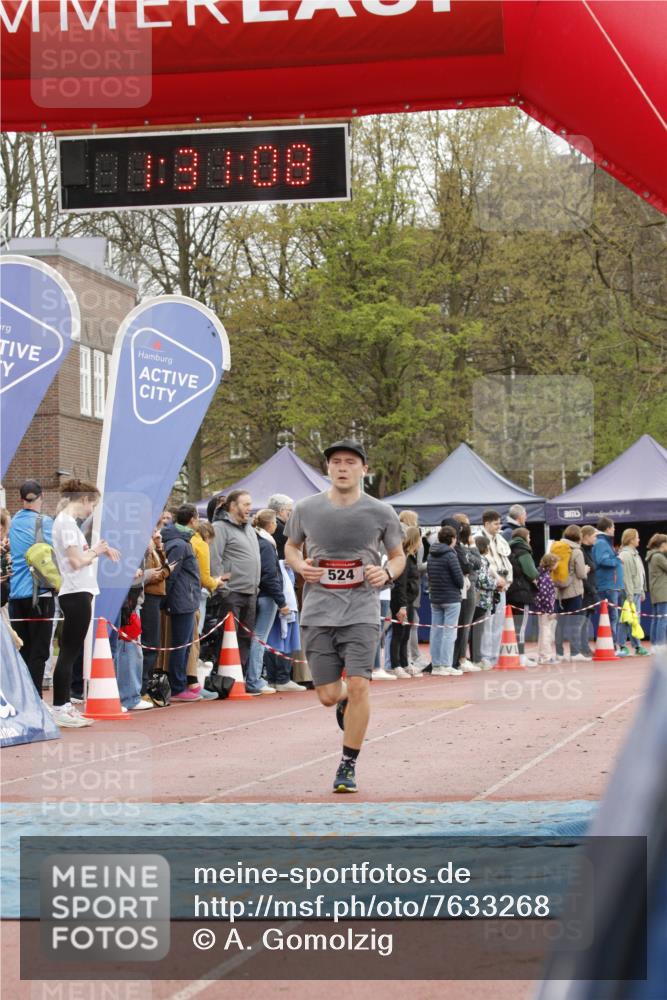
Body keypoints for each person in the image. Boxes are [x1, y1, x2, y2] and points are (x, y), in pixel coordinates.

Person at [285, 439, 404, 794]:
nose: (342, 467)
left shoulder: (382, 512)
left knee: (359, 684)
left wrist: (387, 574)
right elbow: (291, 546)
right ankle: (344, 705)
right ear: (327, 468)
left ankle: (347, 765)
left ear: (363, 470)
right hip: (319, 609)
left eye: (350, 462)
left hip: (361, 611)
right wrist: (299, 564)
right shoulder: (306, 508)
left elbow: (398, 556)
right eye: (336, 461)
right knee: (327, 694)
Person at [50, 478, 120, 728]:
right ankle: (60, 706)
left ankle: (64, 705)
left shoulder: (68, 523)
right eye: (93, 505)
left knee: (70, 651)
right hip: (75, 591)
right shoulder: (67, 523)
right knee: (69, 652)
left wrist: (96, 551)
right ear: (84, 500)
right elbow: (76, 561)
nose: (92, 511)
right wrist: (96, 551)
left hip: (79, 591)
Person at [8, 480, 56, 697]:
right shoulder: (45, 522)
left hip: (16, 596)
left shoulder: (14, 521)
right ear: (41, 496)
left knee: (23, 651)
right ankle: (35, 700)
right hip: (40, 596)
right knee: (39, 652)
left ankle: (23, 699)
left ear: (21, 499)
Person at [211, 490, 261, 670]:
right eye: (245, 504)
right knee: (227, 637)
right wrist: (223, 589)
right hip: (232, 593)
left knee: (245, 638)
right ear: (233, 506)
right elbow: (214, 559)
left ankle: (239, 678)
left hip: (251, 592)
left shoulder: (249, 528)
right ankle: (224, 678)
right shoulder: (220, 528)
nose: (250, 508)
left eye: (250, 504)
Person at [161, 506, 202, 702]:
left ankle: (181, 683)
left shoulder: (181, 542)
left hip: (185, 598)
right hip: (182, 599)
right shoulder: (180, 544)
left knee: (184, 644)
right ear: (192, 520)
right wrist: (166, 599)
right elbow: (172, 574)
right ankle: (177, 686)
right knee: (181, 645)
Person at [247, 509, 290, 695]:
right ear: (271, 524)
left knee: (258, 636)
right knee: (260, 637)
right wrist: (282, 601)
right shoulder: (266, 545)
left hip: (261, 594)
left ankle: (255, 676)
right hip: (267, 596)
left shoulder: (258, 541)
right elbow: (270, 574)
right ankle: (254, 678)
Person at [427, 524, 465, 676]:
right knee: (449, 632)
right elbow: (459, 579)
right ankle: (446, 664)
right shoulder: (451, 554)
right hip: (451, 598)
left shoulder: (431, 554)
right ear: (452, 539)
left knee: (436, 631)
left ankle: (436, 665)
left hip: (435, 597)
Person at [479, 509, 513, 666]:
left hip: (502, 586)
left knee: (499, 622)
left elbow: (506, 561)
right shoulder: (478, 539)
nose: (499, 526)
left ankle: (494, 657)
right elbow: (484, 563)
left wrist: (507, 581)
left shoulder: (500, 539)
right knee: (487, 623)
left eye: (500, 523)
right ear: (486, 523)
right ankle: (485, 657)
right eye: (495, 523)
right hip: (487, 587)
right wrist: (497, 579)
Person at [140, 525, 171, 693]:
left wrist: (160, 548)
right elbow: (152, 574)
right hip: (149, 597)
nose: (157, 534)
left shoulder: (154, 549)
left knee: (154, 642)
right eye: (154, 531)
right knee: (150, 643)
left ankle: (146, 683)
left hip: (156, 596)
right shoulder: (144, 550)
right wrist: (166, 572)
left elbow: (161, 566)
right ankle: (143, 686)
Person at [389, 526, 422, 678]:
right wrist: (402, 606)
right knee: (398, 633)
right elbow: (400, 584)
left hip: (408, 600)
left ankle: (404, 662)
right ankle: (396, 665)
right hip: (401, 601)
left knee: (406, 634)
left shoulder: (411, 558)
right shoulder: (405, 559)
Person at [554, 525, 591, 661]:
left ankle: (559, 653)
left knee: (561, 623)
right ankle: (575, 653)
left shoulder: (556, 547)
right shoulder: (577, 551)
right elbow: (581, 573)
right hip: (574, 591)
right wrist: (586, 570)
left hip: (559, 591)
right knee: (574, 622)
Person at [507, 526, 539, 666]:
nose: (530, 539)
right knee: (521, 627)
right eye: (529, 537)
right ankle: (521, 656)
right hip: (522, 592)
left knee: (510, 626)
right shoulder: (523, 551)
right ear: (524, 537)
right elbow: (531, 572)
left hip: (510, 592)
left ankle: (510, 654)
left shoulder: (508, 549)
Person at [592, 517, 624, 653]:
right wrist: (617, 559)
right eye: (613, 527)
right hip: (608, 585)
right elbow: (602, 561)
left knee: (613, 616)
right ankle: (611, 646)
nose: (615, 529)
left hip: (612, 585)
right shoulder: (601, 543)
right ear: (608, 528)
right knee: (612, 617)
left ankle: (611, 645)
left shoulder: (604, 542)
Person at [618, 528, 649, 656]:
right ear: (631, 539)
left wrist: (642, 590)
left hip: (636, 592)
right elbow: (627, 577)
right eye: (637, 537)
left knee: (635, 620)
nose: (639, 539)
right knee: (626, 620)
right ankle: (622, 646)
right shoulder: (625, 555)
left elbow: (641, 574)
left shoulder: (636, 554)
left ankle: (637, 647)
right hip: (629, 593)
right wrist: (630, 595)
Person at [470, 535, 496, 669]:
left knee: (473, 630)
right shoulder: (483, 560)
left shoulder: (473, 557)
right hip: (481, 599)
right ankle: (477, 658)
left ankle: (474, 657)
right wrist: (495, 583)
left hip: (476, 597)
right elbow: (482, 580)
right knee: (477, 630)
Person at [533, 552, 560, 664]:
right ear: (552, 564)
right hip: (545, 610)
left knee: (544, 631)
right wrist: (550, 610)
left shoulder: (541, 574)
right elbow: (545, 595)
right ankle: (546, 656)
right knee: (546, 632)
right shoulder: (546, 577)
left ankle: (542, 655)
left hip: (542, 609)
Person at [580, 525, 599, 657]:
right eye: (594, 536)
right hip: (585, 592)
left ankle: (584, 647)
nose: (596, 538)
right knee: (582, 622)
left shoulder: (590, 551)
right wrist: (591, 590)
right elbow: (582, 575)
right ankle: (582, 648)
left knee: (586, 621)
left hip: (590, 591)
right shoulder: (581, 552)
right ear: (586, 537)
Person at [646, 534, 667, 649]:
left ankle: (655, 644)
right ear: (663, 544)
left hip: (656, 591)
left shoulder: (652, 556)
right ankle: (660, 645)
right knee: (662, 619)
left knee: (656, 618)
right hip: (663, 592)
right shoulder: (659, 557)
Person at [267, 494, 294, 561]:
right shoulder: (279, 527)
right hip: (280, 567)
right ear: (281, 511)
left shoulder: (270, 523)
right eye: (290, 510)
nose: (292, 513)